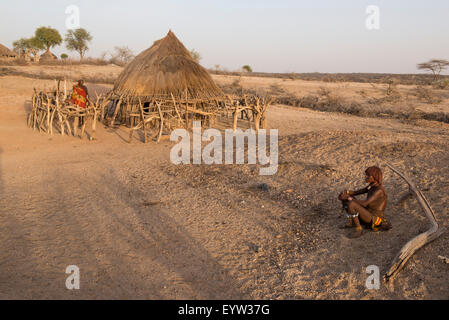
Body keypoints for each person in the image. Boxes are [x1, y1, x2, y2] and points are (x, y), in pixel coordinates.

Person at [338, 166, 391, 238]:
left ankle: (359, 229)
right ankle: (353, 222)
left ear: (374, 177)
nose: (366, 177)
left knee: (351, 203)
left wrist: (348, 197)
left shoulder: (379, 190)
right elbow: (356, 192)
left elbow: (365, 203)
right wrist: (346, 193)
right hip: (368, 213)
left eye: (368, 175)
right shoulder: (372, 186)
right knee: (347, 199)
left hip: (375, 219)